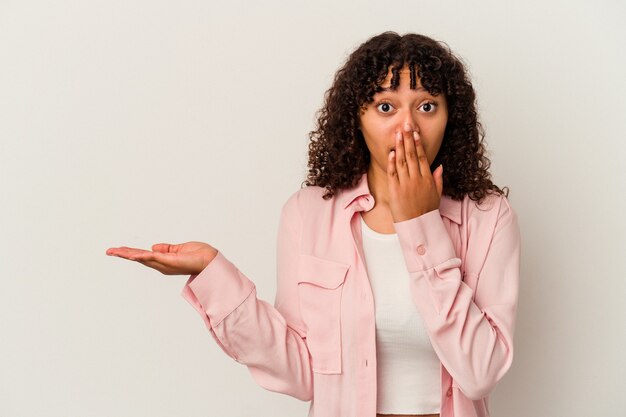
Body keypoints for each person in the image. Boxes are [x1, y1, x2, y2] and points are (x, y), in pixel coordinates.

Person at [106, 31, 521, 417]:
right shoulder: (307, 214)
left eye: (427, 106)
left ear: (451, 118)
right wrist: (212, 272)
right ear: (356, 118)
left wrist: (421, 225)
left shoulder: (488, 217)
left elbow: (480, 373)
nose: (407, 127)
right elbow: (301, 373)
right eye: (385, 107)